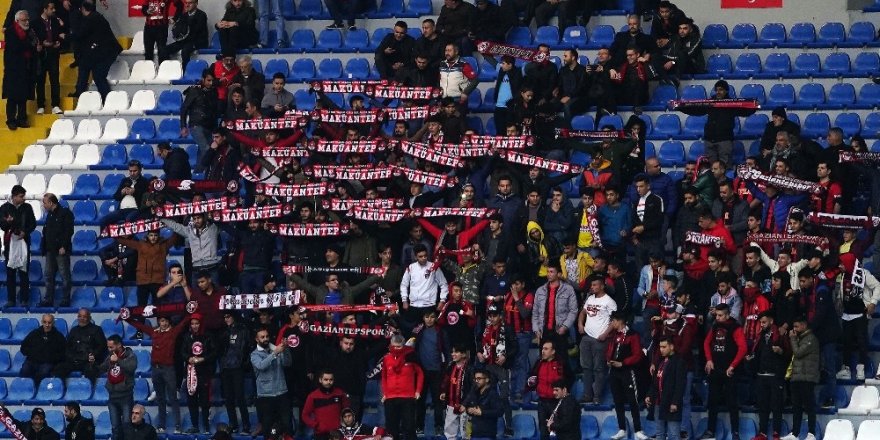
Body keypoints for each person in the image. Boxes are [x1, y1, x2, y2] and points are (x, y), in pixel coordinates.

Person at [124, 314, 191, 433]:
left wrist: (190, 312)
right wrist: (127, 318)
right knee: (160, 399)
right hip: (156, 369)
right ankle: (161, 426)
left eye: (165, 321)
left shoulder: (173, 332)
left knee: (173, 398)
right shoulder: (154, 332)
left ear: (169, 322)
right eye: (161, 321)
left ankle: (178, 426)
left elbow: (183, 323)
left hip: (168, 369)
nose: (163, 323)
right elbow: (140, 325)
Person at [701, 303, 746, 440]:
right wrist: (709, 360)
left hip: (729, 371)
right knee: (712, 401)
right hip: (715, 369)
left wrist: (733, 366)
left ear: (727, 315)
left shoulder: (735, 327)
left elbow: (743, 348)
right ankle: (710, 431)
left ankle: (735, 433)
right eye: (716, 315)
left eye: (720, 315)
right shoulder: (714, 326)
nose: (718, 318)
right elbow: (706, 343)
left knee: (732, 403)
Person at [605, 312, 648, 440]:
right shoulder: (613, 335)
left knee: (632, 401)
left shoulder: (632, 335)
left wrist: (623, 363)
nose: (611, 323)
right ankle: (622, 429)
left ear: (620, 321)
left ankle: (638, 430)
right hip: (614, 372)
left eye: (613, 321)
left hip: (628, 372)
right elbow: (609, 350)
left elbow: (637, 355)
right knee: (617, 401)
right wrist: (608, 359)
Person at [477, 303, 516, 436]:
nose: (492, 318)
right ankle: (489, 427)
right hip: (488, 366)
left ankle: (508, 427)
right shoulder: (486, 328)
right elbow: (478, 342)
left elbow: (515, 347)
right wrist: (479, 353)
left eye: (495, 315)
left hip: (502, 368)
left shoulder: (508, 328)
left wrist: (505, 356)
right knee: (488, 396)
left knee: (504, 397)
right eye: (490, 316)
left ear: (500, 316)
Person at [577, 274, 617, 405]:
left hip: (600, 339)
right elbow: (583, 312)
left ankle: (597, 396)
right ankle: (587, 395)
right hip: (587, 337)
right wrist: (580, 324)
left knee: (599, 369)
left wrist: (606, 334)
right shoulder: (589, 298)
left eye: (595, 285)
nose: (592, 287)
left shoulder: (609, 301)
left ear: (602, 286)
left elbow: (614, 321)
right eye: (591, 285)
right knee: (586, 367)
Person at [751, 311, 791, 440]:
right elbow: (757, 353)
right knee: (763, 406)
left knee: (776, 406)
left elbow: (789, 354)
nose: (762, 325)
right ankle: (762, 433)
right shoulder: (760, 336)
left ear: (771, 321)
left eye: (764, 322)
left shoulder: (780, 334)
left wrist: (781, 351)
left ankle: (776, 433)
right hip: (762, 375)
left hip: (775, 375)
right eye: (760, 323)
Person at [71, 1, 120, 100]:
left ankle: (107, 99)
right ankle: (80, 91)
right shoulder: (96, 16)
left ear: (83, 9)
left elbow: (80, 34)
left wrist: (65, 36)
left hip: (107, 52)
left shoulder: (91, 19)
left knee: (98, 75)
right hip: (101, 51)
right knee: (85, 65)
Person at [251, 327, 293, 437]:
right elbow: (261, 366)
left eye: (267, 336)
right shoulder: (254, 354)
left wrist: (286, 349)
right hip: (265, 396)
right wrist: (275, 353)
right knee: (267, 427)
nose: (266, 339)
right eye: (262, 337)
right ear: (257, 339)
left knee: (287, 424)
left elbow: (287, 363)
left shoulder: (276, 348)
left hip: (282, 392)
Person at [381, 334, 424, 440]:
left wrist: (418, 391)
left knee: (409, 427)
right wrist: (385, 393)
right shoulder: (386, 358)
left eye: (399, 346)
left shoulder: (411, 356)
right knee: (391, 429)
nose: (396, 349)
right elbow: (384, 377)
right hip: (390, 398)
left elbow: (420, 373)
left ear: (403, 346)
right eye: (394, 346)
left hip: (408, 397)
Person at [783, 316, 820, 440]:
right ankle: (795, 433)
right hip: (797, 377)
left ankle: (811, 433)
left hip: (807, 378)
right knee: (796, 407)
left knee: (809, 406)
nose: (794, 329)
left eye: (796, 326)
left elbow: (798, 353)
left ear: (804, 326)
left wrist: (792, 339)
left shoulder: (811, 339)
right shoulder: (799, 338)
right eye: (793, 327)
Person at [529, 340, 573, 440]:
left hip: (557, 402)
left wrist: (564, 391)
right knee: (543, 431)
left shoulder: (561, 363)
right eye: (542, 349)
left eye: (546, 349)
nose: (542, 351)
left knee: (558, 430)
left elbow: (571, 377)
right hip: (542, 401)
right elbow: (532, 377)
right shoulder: (538, 363)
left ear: (553, 351)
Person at [0, 184, 36, 307]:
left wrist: (25, 232)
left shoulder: (27, 207)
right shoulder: (4, 208)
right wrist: (7, 222)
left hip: (24, 242)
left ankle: (24, 299)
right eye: (21, 196)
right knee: (10, 272)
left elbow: (33, 224)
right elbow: (2, 226)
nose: (23, 198)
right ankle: (11, 300)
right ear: (14, 196)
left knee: (23, 272)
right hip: (10, 243)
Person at [217, 311, 253, 434]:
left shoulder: (243, 330)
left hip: (238, 367)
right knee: (228, 398)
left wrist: (245, 363)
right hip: (226, 367)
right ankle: (233, 424)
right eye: (225, 317)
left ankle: (246, 425)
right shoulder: (223, 332)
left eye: (228, 316)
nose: (226, 319)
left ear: (234, 317)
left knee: (240, 397)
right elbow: (219, 349)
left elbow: (249, 346)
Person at [400, 244, 449, 333]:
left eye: (425, 256)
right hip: (413, 306)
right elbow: (404, 285)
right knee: (411, 334)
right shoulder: (411, 268)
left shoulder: (434, 267)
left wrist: (442, 301)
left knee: (429, 333)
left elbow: (444, 284)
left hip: (429, 306)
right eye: (420, 256)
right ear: (415, 257)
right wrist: (404, 300)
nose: (423, 258)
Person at [180, 314, 216, 434]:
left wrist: (203, 359)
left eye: (197, 323)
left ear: (201, 324)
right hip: (191, 373)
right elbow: (182, 351)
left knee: (205, 402)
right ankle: (195, 425)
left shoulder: (208, 336)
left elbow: (214, 352)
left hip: (204, 373)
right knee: (192, 401)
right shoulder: (187, 337)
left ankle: (206, 426)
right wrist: (188, 358)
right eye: (193, 324)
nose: (195, 326)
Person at [646, 337, 687, 440]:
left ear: (671, 347)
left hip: (671, 403)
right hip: (658, 402)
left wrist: (675, 402)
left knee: (674, 435)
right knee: (659, 434)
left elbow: (680, 385)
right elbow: (655, 382)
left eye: (664, 347)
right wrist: (649, 395)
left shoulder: (679, 362)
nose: (661, 349)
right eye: (660, 347)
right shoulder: (660, 361)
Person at [3, 9, 38, 130]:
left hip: (26, 67)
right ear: (17, 21)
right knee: (12, 97)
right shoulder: (11, 32)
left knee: (23, 96)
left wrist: (32, 46)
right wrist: (30, 46)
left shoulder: (30, 32)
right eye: (24, 20)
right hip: (14, 69)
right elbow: (17, 47)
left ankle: (22, 118)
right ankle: (11, 119)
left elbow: (35, 44)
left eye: (27, 19)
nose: (27, 22)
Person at [99, 334, 137, 440]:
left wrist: (118, 361)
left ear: (119, 345)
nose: (109, 349)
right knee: (115, 426)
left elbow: (131, 367)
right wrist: (92, 363)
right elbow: (102, 368)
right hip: (112, 397)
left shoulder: (130, 355)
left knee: (127, 424)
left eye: (111, 347)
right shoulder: (110, 356)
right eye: (108, 347)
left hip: (126, 396)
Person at [533, 264, 578, 350]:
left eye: (551, 272)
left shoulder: (568, 289)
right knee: (544, 359)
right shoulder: (540, 290)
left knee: (561, 360)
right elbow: (535, 312)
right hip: (544, 331)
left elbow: (573, 311)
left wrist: (565, 327)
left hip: (560, 330)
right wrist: (536, 329)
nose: (548, 274)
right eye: (547, 272)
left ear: (558, 274)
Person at [180, 69, 218, 171]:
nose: (211, 83)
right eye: (208, 80)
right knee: (206, 149)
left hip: (209, 126)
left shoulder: (213, 91)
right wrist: (183, 126)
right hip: (196, 125)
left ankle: (199, 176)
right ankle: (212, 172)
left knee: (203, 152)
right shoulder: (194, 90)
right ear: (203, 79)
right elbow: (184, 108)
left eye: (212, 81)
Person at [54, 308, 105, 381]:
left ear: (89, 318)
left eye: (84, 316)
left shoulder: (96, 330)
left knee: (91, 370)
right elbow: (67, 347)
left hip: (88, 361)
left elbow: (102, 347)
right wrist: (71, 357)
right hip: (74, 360)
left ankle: (90, 390)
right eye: (80, 316)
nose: (82, 318)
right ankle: (62, 390)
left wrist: (94, 355)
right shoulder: (74, 330)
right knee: (59, 368)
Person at [41, 193, 74, 307]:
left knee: (64, 275)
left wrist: (64, 246)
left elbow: (68, 231)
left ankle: (65, 299)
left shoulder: (66, 213)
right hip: (50, 250)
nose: (43, 205)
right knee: (48, 276)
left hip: (61, 250)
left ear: (51, 202)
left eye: (44, 202)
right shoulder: (49, 215)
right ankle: (48, 299)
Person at [34, 1, 64, 115]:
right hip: (41, 56)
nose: (54, 10)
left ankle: (55, 105)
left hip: (53, 54)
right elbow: (33, 38)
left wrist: (58, 42)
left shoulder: (55, 21)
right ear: (45, 9)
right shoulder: (35, 23)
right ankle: (40, 105)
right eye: (51, 8)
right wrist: (41, 43)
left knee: (55, 80)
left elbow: (60, 35)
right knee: (40, 80)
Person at [439, 343, 474, 440]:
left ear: (463, 354)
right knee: (450, 434)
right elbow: (446, 381)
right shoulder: (450, 366)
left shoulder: (470, 369)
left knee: (466, 435)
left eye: (456, 352)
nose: (453, 354)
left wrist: (465, 404)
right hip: (451, 405)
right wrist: (443, 392)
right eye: (452, 352)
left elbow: (473, 389)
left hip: (465, 406)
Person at [302, 371, 351, 440]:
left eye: (331, 380)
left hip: (338, 433)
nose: (328, 382)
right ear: (320, 380)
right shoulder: (312, 396)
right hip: (320, 434)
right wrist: (315, 425)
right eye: (326, 380)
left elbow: (347, 410)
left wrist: (344, 424)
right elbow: (305, 415)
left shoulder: (340, 393)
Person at [20, 313, 66, 384]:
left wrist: (52, 359)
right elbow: (23, 347)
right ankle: (24, 390)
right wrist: (32, 354)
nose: (47, 325)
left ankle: (38, 391)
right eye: (45, 322)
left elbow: (63, 353)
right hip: (32, 361)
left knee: (43, 372)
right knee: (24, 370)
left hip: (48, 362)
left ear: (53, 323)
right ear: (42, 322)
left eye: (49, 322)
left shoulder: (59, 336)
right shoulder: (34, 333)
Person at [161, 0, 208, 67]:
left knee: (185, 50)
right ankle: (169, 70)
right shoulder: (183, 15)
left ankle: (185, 72)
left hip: (198, 41)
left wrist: (182, 34)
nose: (187, 5)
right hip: (185, 41)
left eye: (190, 3)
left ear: (196, 3)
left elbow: (196, 31)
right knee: (164, 50)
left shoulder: (202, 15)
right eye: (186, 3)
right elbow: (179, 29)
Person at [461, 369, 503, 440]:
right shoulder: (474, 393)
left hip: (487, 435)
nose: (476, 381)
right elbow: (469, 406)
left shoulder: (493, 394)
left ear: (487, 380)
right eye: (475, 379)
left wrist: (482, 413)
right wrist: (469, 410)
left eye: (479, 378)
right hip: (474, 434)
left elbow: (500, 412)